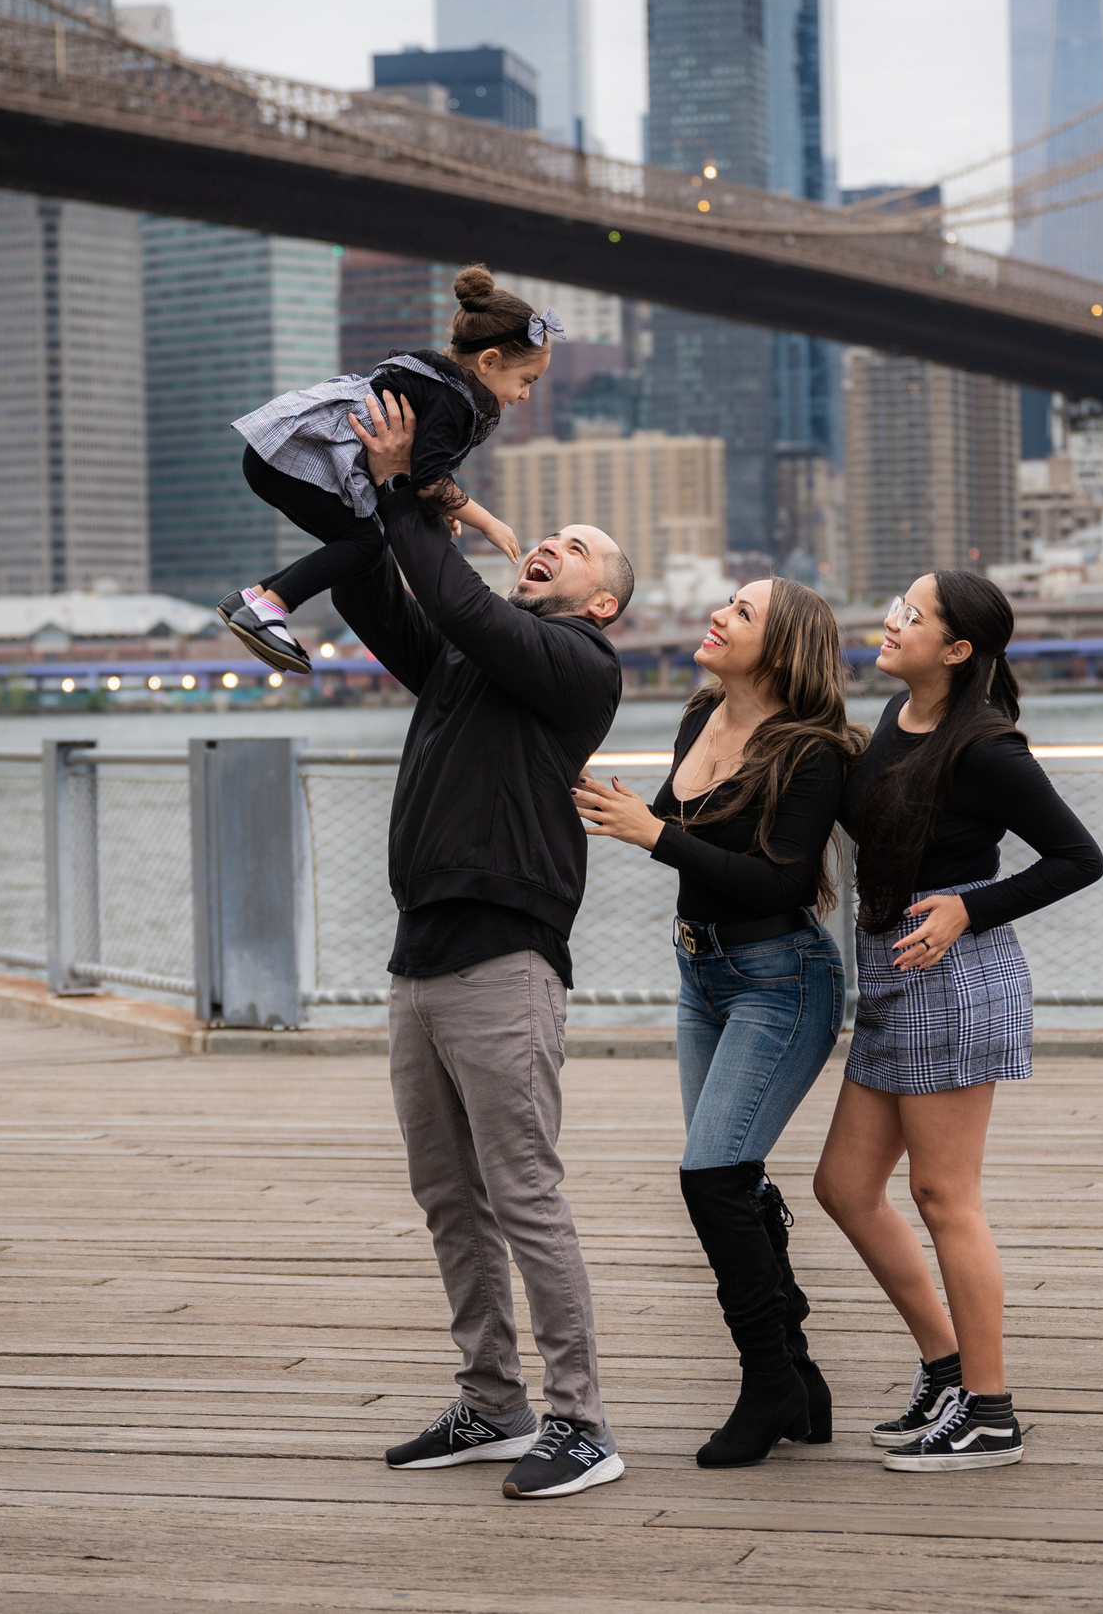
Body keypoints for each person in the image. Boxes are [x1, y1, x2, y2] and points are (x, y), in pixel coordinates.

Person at [326, 388, 638, 1501]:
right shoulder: (471, 662)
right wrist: (366, 496)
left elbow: (459, 608)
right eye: (546, 538)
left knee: (523, 1193)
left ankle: (583, 1422)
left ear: (602, 602)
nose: (550, 544)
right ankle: (492, 1401)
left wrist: (417, 495)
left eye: (580, 549)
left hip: (505, 959)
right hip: (418, 961)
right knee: (448, 1198)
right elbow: (383, 592)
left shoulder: (578, 671)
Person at [813, 570, 1103, 1473]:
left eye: (914, 615)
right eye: (897, 605)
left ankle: (990, 1412)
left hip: (955, 977)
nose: (892, 620)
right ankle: (947, 1370)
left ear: (957, 650)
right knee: (844, 1187)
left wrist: (971, 909)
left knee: (946, 1199)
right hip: (890, 978)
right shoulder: (891, 728)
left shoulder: (985, 749)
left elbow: (1078, 858)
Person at [571, 578, 860, 1469]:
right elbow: (698, 842)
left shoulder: (815, 752)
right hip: (701, 971)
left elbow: (777, 880)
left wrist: (649, 833)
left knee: (711, 1176)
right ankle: (800, 1380)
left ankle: (767, 1381)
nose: (719, 615)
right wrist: (623, 813)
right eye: (726, 602)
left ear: (780, 649)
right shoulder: (701, 716)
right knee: (730, 1177)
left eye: (742, 612)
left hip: (782, 978)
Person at [217, 265, 557, 675]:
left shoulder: (436, 381)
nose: (524, 394)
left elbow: (423, 467)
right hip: (291, 458)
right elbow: (430, 480)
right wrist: (486, 522)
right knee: (366, 546)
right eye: (526, 380)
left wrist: (445, 507)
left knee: (358, 544)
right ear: (489, 361)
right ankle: (270, 606)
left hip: (278, 451)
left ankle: (253, 598)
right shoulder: (453, 401)